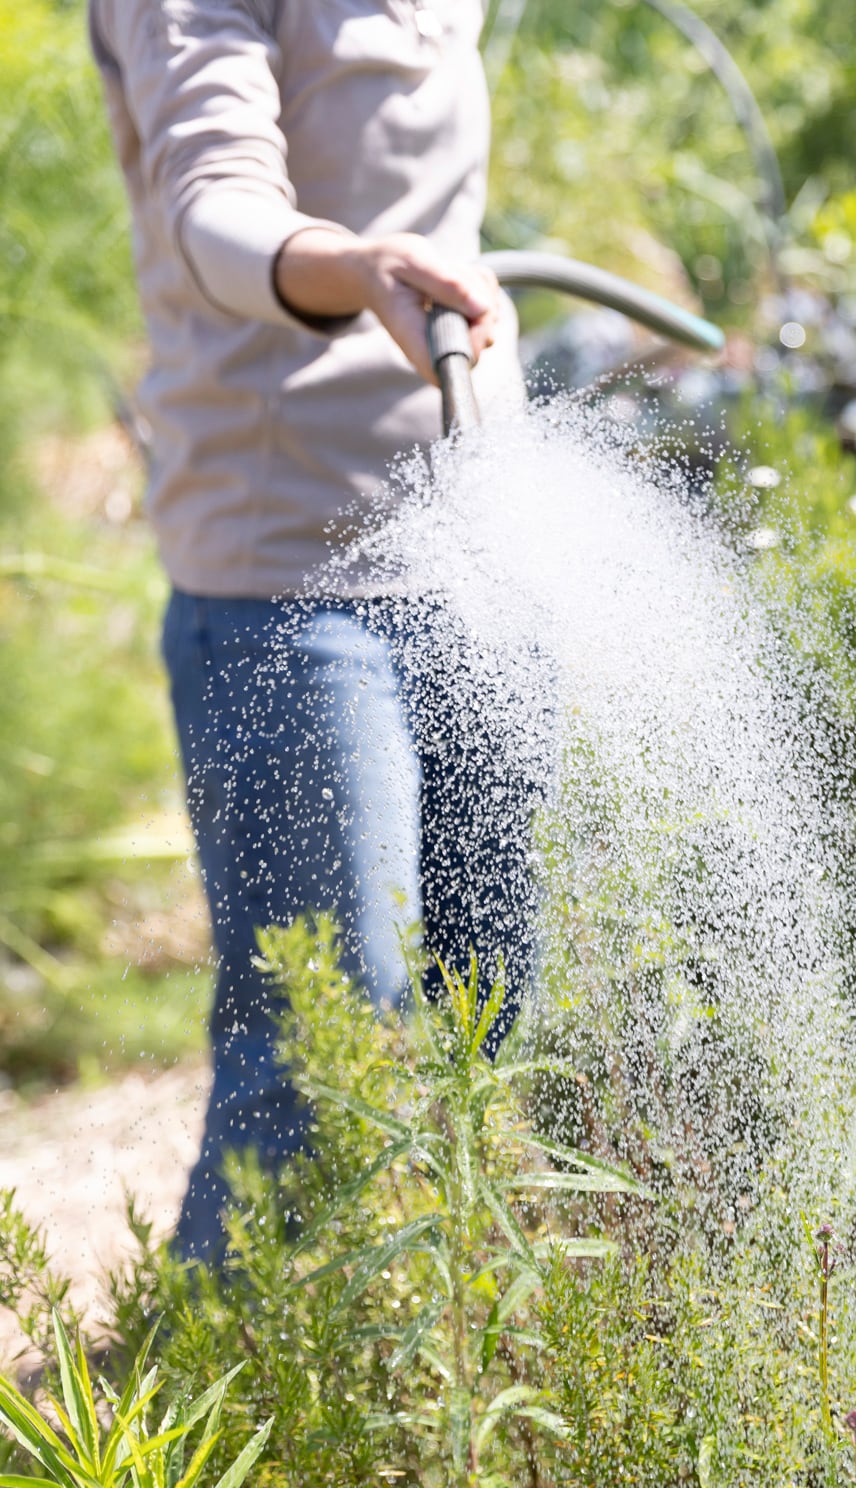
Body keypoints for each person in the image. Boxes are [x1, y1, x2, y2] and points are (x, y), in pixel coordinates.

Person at [89, 0, 538, 1262]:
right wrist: (360, 269)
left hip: (469, 534)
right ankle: (204, 1419)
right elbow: (213, 206)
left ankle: (438, 1404)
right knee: (320, 1043)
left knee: (490, 1010)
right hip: (289, 573)